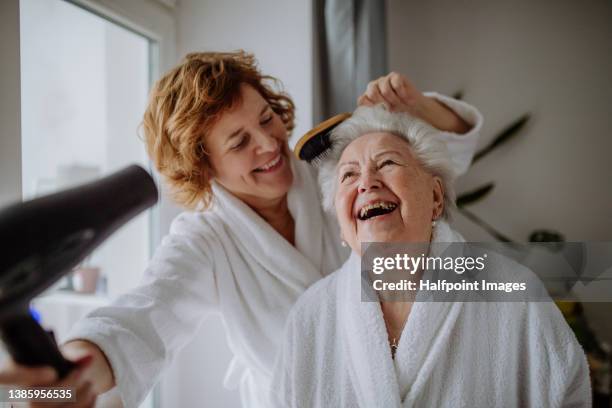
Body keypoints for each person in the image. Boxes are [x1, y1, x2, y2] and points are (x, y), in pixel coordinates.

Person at [0, 51, 482, 408]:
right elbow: (139, 320)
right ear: (202, 166)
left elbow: (442, 156)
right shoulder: (205, 241)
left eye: (267, 119)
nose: (270, 144)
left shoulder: (329, 167)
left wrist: (420, 107)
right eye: (239, 142)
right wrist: (69, 367)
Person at [270, 105, 591, 407]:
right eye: (348, 176)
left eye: (387, 163)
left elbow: (568, 394)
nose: (366, 183)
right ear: (341, 226)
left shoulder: (513, 292)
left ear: (436, 197)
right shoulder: (310, 316)